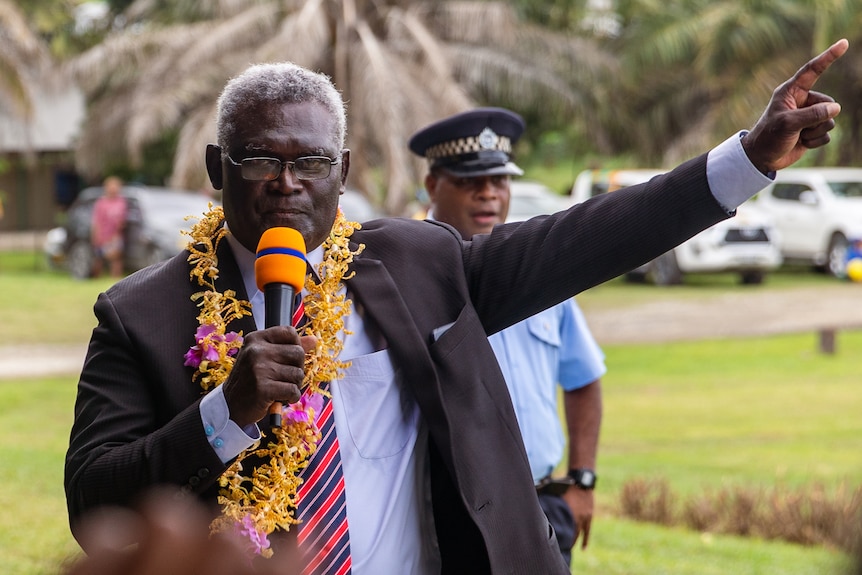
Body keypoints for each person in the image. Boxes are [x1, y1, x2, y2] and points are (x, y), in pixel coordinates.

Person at [65, 39, 848, 575]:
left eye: (308, 161)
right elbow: (94, 499)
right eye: (260, 159)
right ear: (216, 167)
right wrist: (224, 412)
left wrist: (747, 156)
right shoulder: (142, 315)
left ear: (341, 171)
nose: (284, 182)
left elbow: (589, 237)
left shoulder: (419, 260)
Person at [409, 107, 604, 566]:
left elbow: (583, 378)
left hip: (544, 507)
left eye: (499, 181)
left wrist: (582, 481)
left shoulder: (539, 275)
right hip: (452, 516)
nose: (488, 194)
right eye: (469, 181)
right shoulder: (406, 276)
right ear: (433, 185)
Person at [89, 175, 128, 278]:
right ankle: (97, 278)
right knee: (99, 259)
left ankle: (115, 278)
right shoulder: (101, 203)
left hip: (115, 236)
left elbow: (122, 220)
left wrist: (116, 234)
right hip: (102, 235)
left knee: (115, 258)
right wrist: (96, 236)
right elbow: (96, 221)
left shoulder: (121, 202)